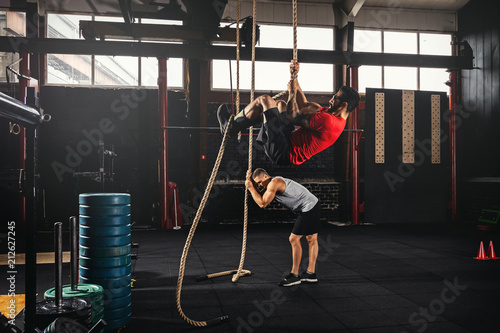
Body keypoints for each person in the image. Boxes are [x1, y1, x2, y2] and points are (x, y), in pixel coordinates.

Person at [218, 60, 360, 165]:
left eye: (335, 98)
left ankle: (230, 128)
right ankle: (244, 124)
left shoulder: (330, 122)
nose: (331, 100)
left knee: (265, 100)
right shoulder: (330, 114)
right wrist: (295, 77)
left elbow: (293, 117)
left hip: (284, 153)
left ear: (344, 105)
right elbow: (303, 104)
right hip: (287, 140)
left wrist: (291, 93)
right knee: (281, 105)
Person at [245, 168, 321, 287]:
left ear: (266, 176)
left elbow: (262, 203)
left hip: (309, 207)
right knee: (311, 238)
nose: (259, 185)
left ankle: (294, 275)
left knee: (294, 239)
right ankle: (311, 273)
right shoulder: (269, 185)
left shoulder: (274, 183)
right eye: (257, 184)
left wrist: (250, 187)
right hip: (313, 204)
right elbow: (260, 196)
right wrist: (250, 182)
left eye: (259, 182)